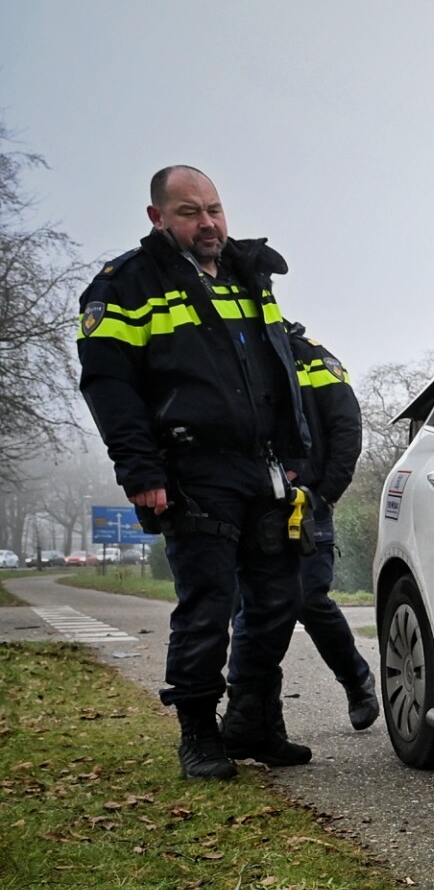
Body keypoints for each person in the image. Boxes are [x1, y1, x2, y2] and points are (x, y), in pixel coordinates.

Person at [76, 165, 313, 779]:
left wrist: (297, 451)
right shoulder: (126, 284)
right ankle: (198, 733)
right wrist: (140, 472)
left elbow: (277, 370)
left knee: (279, 600)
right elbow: (111, 387)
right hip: (190, 470)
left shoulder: (248, 273)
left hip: (265, 468)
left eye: (214, 208)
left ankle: (254, 720)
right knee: (208, 603)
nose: (208, 222)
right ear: (158, 217)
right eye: (189, 212)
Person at [229, 324, 377, 730]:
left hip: (307, 499)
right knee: (245, 607)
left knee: (309, 598)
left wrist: (325, 493)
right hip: (249, 499)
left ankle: (356, 679)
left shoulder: (309, 354)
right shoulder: (224, 346)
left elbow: (347, 427)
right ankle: (259, 717)